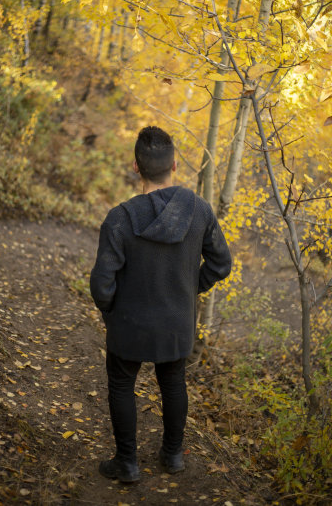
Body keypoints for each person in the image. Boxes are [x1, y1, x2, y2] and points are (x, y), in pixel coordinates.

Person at [90, 126, 232, 483]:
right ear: (174, 165)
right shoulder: (200, 211)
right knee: (173, 383)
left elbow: (101, 284)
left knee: (122, 385)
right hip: (176, 323)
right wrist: (189, 289)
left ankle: (127, 463)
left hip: (129, 323)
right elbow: (221, 264)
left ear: (135, 167)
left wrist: (111, 310)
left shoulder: (119, 218)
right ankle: (172, 457)